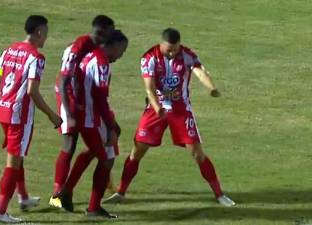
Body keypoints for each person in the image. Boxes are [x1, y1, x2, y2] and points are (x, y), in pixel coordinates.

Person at [104, 28, 236, 207]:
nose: (173, 52)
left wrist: (211, 87)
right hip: (154, 110)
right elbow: (149, 88)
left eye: (175, 49)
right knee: (137, 151)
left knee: (197, 154)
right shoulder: (149, 57)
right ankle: (121, 191)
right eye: (169, 49)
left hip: (180, 110)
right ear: (161, 45)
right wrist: (158, 107)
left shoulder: (187, 55)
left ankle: (219, 194)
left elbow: (200, 71)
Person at [0, 15, 62, 223]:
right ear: (39, 32)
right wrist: (53, 115)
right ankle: (1, 211)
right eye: (46, 33)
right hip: (19, 118)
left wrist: (6, 102)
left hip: (3, 111)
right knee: (12, 164)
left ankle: (23, 198)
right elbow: (32, 91)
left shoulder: (7, 51)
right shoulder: (36, 58)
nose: (46, 38)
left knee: (17, 157)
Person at [58, 30, 128, 218]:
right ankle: (91, 206)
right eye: (120, 51)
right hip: (92, 117)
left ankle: (68, 191)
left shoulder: (88, 55)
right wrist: (111, 126)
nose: (120, 56)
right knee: (107, 159)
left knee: (95, 153)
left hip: (84, 113)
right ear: (112, 45)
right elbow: (99, 98)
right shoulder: (101, 63)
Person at [50, 15, 116, 207]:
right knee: (69, 143)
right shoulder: (77, 47)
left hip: (81, 98)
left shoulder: (95, 49)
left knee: (86, 144)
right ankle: (57, 193)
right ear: (102, 30)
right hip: (67, 96)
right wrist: (69, 114)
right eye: (111, 31)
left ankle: (66, 192)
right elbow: (64, 81)